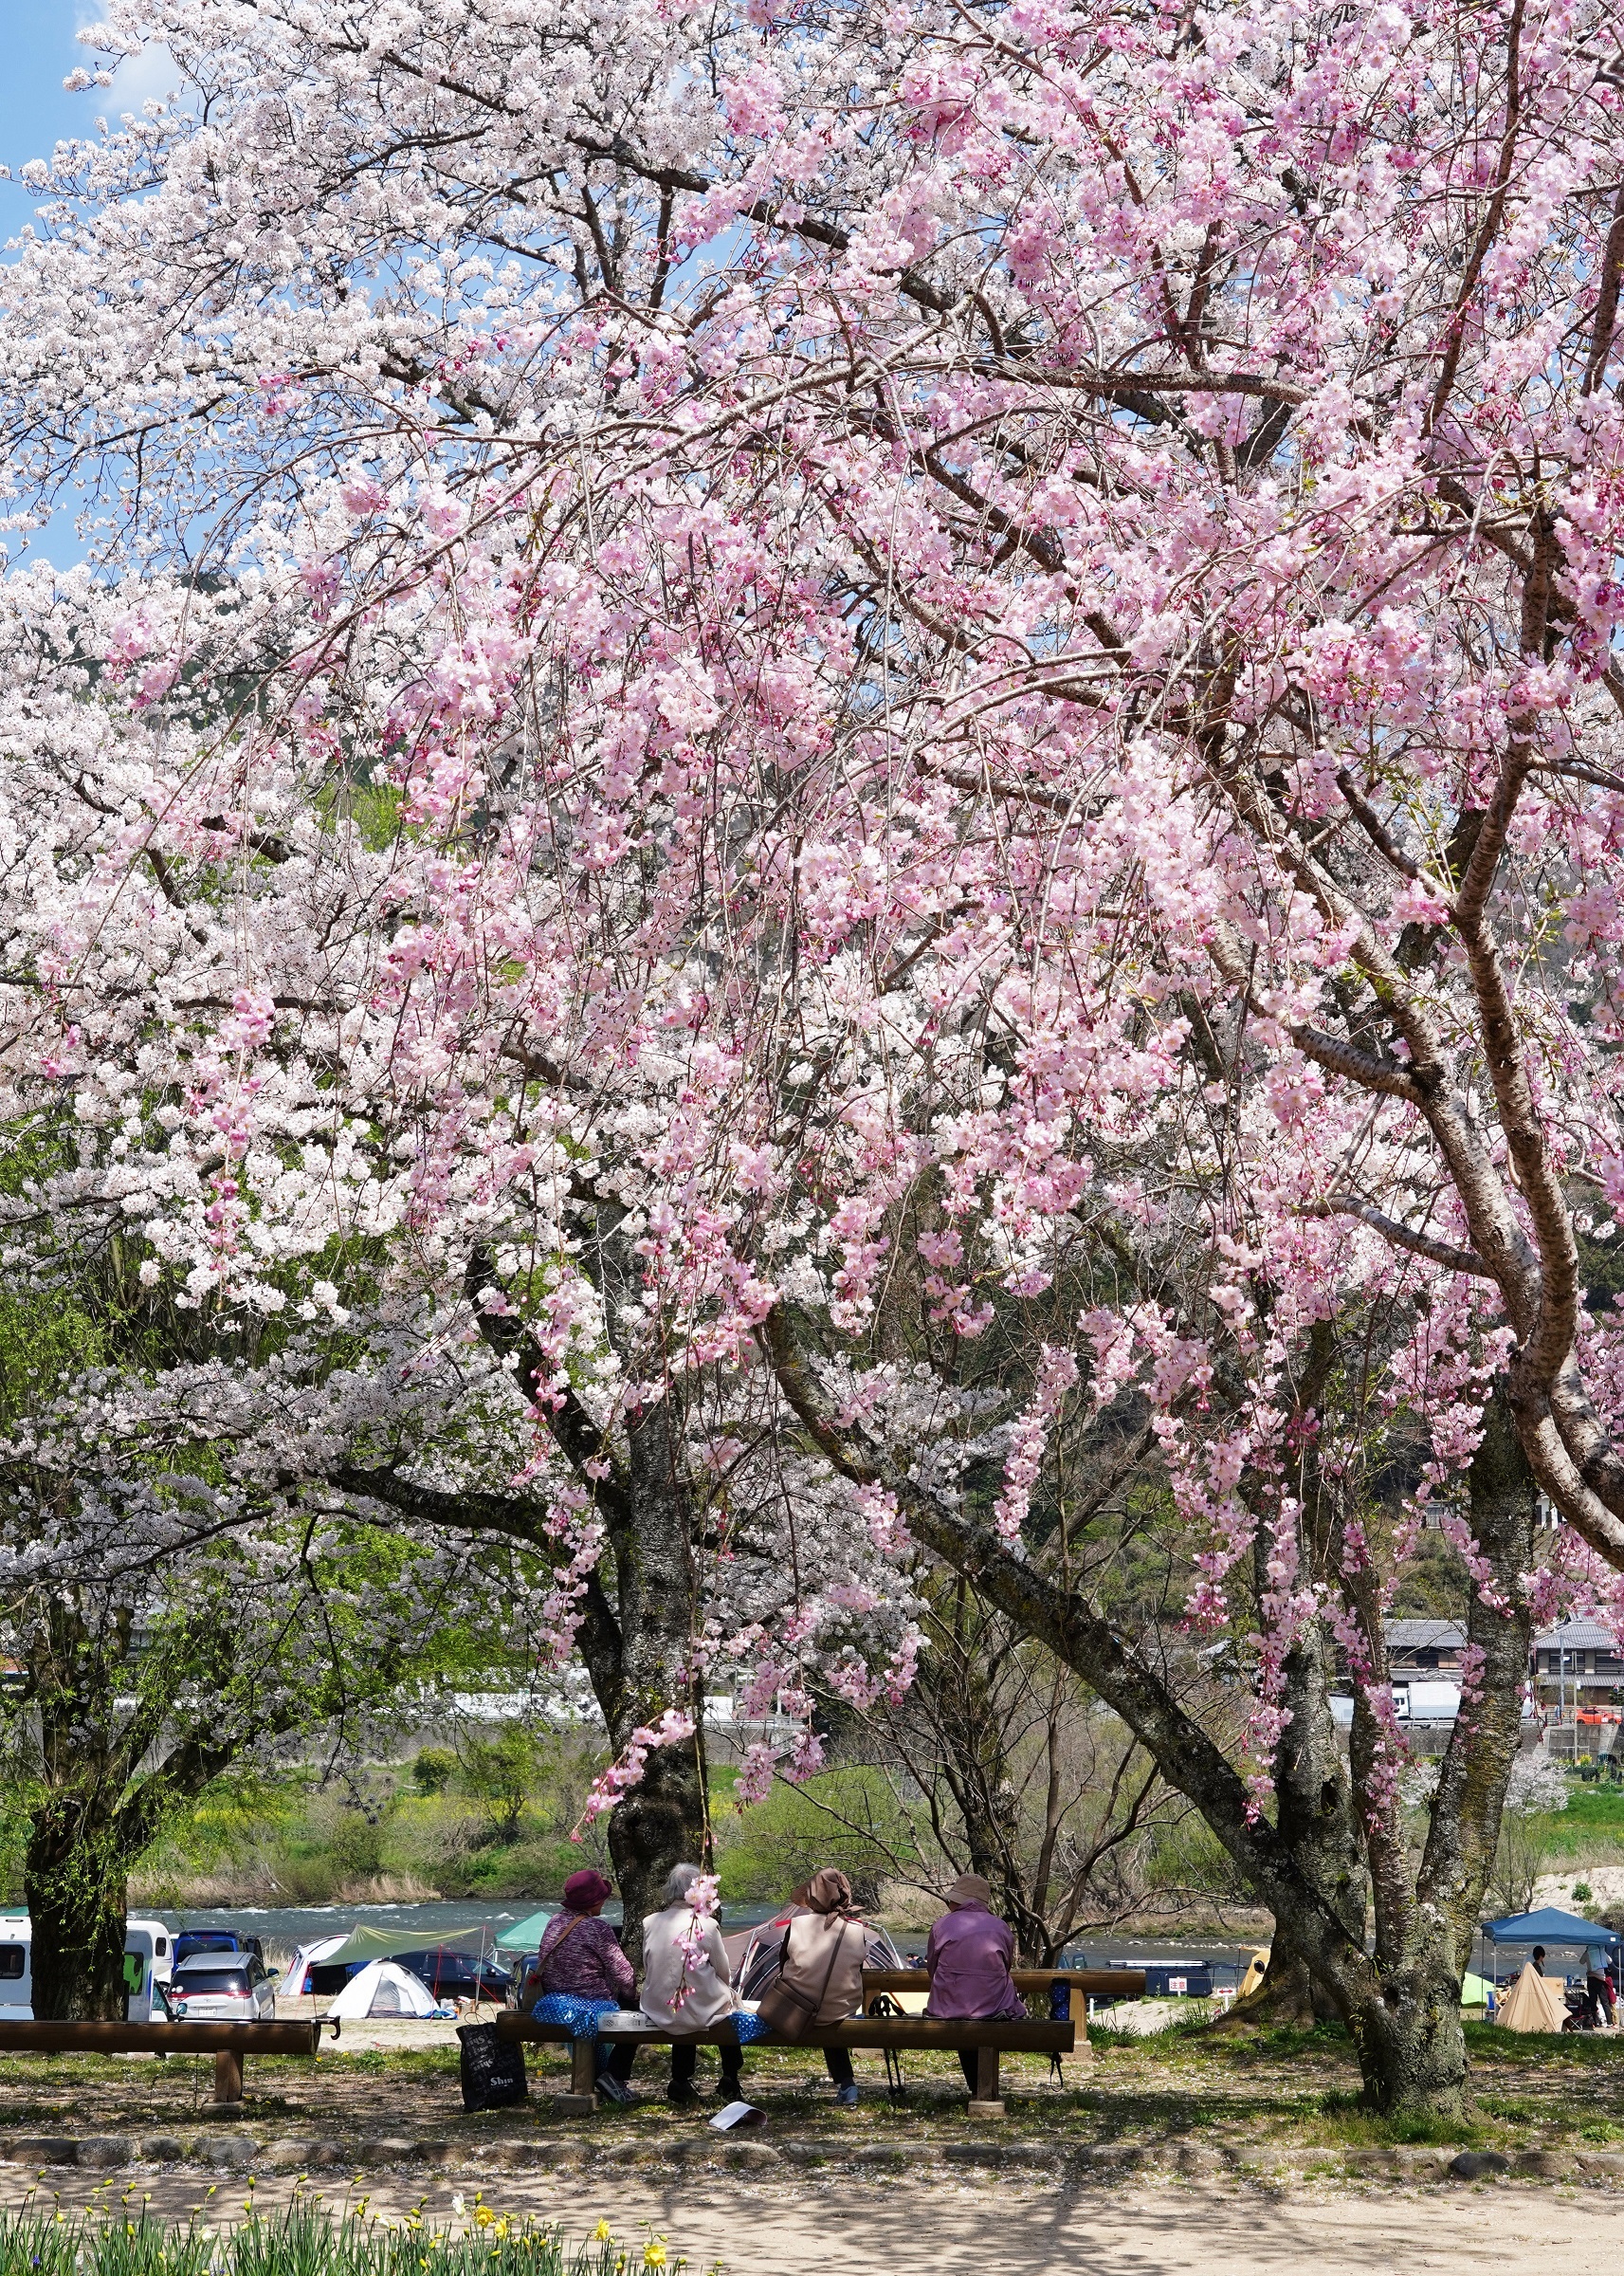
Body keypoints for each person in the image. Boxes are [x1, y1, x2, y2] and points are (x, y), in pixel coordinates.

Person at [640, 1863, 746, 2104]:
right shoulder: (706, 1925)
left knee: (685, 2001)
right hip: (692, 2002)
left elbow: (649, 1966)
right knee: (727, 2008)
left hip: (658, 2003)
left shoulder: (649, 1922)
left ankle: (680, 2079)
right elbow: (723, 1972)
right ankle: (730, 2076)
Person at [773, 1870, 880, 2107]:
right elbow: (855, 1970)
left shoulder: (796, 1925)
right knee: (830, 2011)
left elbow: (783, 1965)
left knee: (816, 2005)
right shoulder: (856, 1929)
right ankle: (847, 2085)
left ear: (811, 1896)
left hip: (797, 2009)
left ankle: (846, 2085)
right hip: (841, 2008)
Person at [532, 1867, 639, 2104]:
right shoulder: (597, 1928)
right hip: (593, 2003)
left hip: (556, 2002)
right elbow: (622, 1973)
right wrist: (634, 1995)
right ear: (594, 1900)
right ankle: (611, 2079)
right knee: (636, 2015)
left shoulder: (554, 1922)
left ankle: (601, 2079)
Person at [923, 1872, 1026, 2096]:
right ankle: (984, 2088)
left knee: (962, 2018)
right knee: (983, 2023)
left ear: (956, 1900)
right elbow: (1006, 1966)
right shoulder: (1000, 1927)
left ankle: (977, 2087)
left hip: (949, 2007)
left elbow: (932, 1968)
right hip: (994, 2007)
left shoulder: (941, 1925)